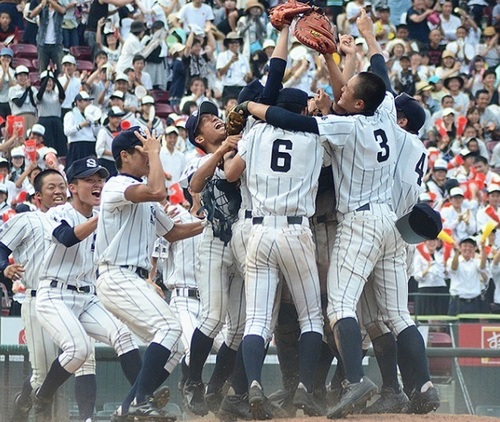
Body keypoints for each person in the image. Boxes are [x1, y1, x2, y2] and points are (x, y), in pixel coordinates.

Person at [94, 127, 204, 420]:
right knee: (169, 329)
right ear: (124, 156)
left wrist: (208, 223)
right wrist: (157, 152)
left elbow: (174, 233)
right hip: (117, 275)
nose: (148, 156)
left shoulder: (146, 197)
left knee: (176, 347)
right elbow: (157, 190)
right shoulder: (117, 185)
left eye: (149, 152)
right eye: (142, 152)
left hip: (132, 278)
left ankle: (128, 406)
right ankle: (142, 399)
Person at [32, 160, 145, 422]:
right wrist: (102, 217)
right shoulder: (59, 213)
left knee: (122, 335)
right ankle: (43, 395)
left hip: (87, 295)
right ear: (72, 187)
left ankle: (143, 398)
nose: (97, 184)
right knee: (78, 350)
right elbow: (68, 237)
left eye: (100, 179)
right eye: (88, 180)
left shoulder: (102, 218)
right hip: (54, 294)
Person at [0, 169, 98, 422]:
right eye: (51, 187)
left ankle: (87, 418)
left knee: (85, 359)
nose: (58, 191)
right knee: (41, 377)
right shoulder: (28, 219)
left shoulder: (81, 218)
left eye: (61, 186)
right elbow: (1, 247)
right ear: (37, 196)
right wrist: (4, 267)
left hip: (78, 298)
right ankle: (22, 405)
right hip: (38, 298)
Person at [180, 102, 246, 417]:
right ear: (198, 137)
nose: (214, 118)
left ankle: (215, 389)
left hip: (244, 245)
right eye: (206, 120)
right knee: (213, 317)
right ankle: (192, 381)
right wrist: (221, 152)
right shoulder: (202, 157)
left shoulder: (242, 146)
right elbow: (194, 185)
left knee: (239, 329)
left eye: (214, 114)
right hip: (215, 242)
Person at [448, 237, 488, 316]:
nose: (468, 248)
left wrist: (483, 248)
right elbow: (454, 267)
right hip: (457, 300)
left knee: (472, 327)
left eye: (470, 246)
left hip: (474, 300)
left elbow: (482, 267)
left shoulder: (476, 262)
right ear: (460, 248)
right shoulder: (452, 260)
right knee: (456, 326)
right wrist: (456, 252)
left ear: (474, 249)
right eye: (465, 246)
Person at [63, 91, 100, 168]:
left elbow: (97, 133)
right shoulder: (70, 114)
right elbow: (67, 131)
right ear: (78, 102)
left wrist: (96, 124)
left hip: (90, 143)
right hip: (77, 145)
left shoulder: (92, 115)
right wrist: (80, 126)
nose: (88, 103)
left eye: (89, 101)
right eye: (86, 100)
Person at [29, 0, 66, 75]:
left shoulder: (60, 6)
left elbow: (62, 11)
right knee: (42, 71)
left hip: (56, 44)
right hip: (42, 44)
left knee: (61, 70)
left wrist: (51, 2)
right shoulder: (43, 7)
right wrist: (41, 5)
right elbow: (32, 15)